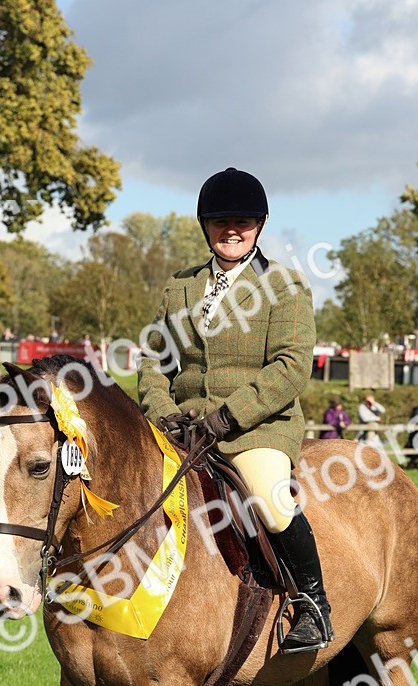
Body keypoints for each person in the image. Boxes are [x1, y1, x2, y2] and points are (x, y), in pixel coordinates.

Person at [137, 166, 332, 651]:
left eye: (242, 221)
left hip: (255, 429)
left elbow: (291, 366)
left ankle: (313, 606)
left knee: (269, 499)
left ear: (259, 225)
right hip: (182, 429)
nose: (231, 230)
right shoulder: (180, 287)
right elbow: (154, 361)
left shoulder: (284, 286)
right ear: (205, 226)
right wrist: (163, 412)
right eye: (220, 221)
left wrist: (227, 416)